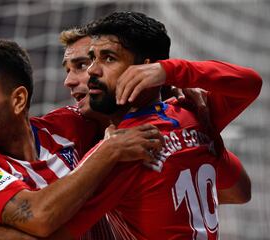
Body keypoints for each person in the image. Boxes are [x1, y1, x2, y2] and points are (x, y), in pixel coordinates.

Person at [51, 11, 261, 239]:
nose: (92, 70)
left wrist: (169, 71)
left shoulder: (122, 151)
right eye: (91, 59)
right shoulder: (193, 113)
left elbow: (57, 230)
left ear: (147, 68)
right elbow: (250, 84)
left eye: (108, 58)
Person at [0, 39, 164, 239]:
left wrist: (176, 91)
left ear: (18, 100)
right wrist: (108, 150)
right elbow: (40, 217)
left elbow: (123, 104)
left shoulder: (69, 125)